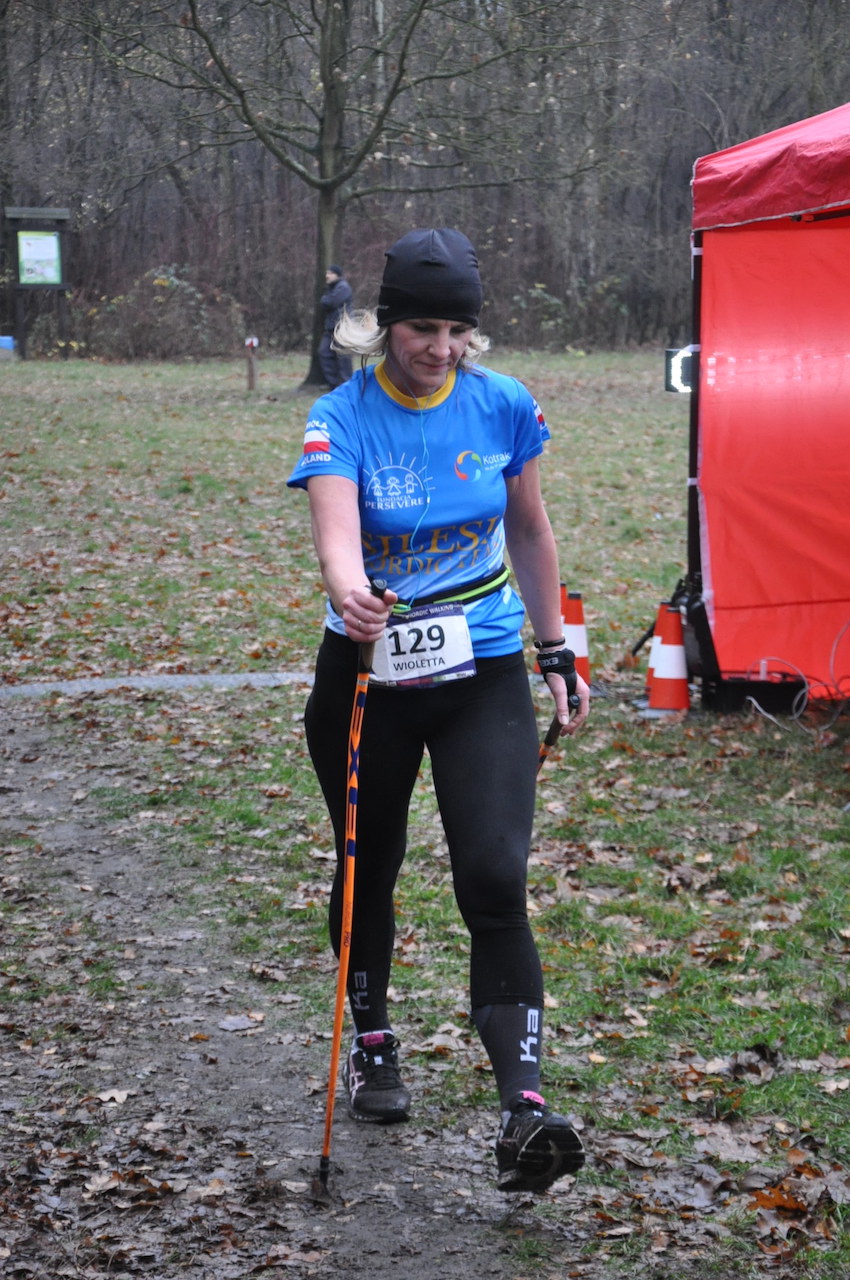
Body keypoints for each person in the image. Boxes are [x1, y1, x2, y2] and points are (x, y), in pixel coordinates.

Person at [288, 227, 590, 1194]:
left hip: (483, 670)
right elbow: (336, 530)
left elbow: (530, 529)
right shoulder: (341, 415)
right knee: (369, 864)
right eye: (424, 329)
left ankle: (524, 1110)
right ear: (385, 326)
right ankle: (373, 1037)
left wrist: (557, 649)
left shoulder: (503, 404)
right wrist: (350, 594)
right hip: (367, 679)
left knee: (495, 877)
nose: (442, 348)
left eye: (458, 330)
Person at [318, 264, 353, 387]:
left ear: (337, 275)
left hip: (342, 327)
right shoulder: (331, 288)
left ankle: (346, 384)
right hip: (331, 327)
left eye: (330, 273)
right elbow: (325, 302)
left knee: (343, 357)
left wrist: (325, 299)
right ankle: (334, 384)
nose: (327, 276)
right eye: (327, 273)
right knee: (324, 353)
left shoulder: (343, 287)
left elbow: (330, 302)